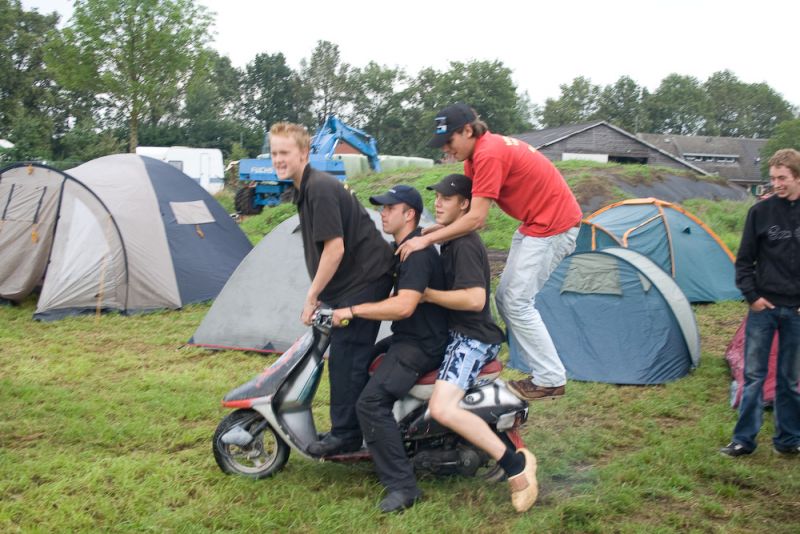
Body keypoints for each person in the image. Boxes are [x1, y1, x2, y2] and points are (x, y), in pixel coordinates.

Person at [397, 103, 582, 402]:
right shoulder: (476, 157)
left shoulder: (488, 154)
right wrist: (437, 228)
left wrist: (425, 241)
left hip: (553, 226)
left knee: (517, 302)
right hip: (534, 224)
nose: (446, 148)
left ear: (467, 130)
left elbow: (476, 219)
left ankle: (550, 379)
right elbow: (469, 207)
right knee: (505, 298)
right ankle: (542, 372)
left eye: (449, 140)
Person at [269, 122, 394, 456]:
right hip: (351, 282)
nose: (278, 159)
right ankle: (351, 427)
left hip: (366, 280)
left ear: (304, 153)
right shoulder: (306, 188)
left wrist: (311, 297)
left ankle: (347, 435)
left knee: (347, 357)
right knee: (343, 355)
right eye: (274, 152)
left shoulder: (319, 188)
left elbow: (334, 249)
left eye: (285, 152)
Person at [422, 174, 538, 512]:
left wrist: (427, 295)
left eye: (446, 198)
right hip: (457, 334)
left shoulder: (464, 245)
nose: (438, 203)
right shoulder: (451, 237)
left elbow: (474, 299)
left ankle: (516, 466)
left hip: (471, 339)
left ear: (465, 205)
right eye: (436, 197)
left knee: (442, 408)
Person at [331, 184, 449, 513]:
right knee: (357, 362)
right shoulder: (402, 246)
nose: (382, 213)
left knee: (371, 403)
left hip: (422, 344)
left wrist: (354, 311)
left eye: (389, 208)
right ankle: (349, 436)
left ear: (409, 214)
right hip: (407, 337)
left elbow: (404, 306)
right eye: (381, 208)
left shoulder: (418, 254)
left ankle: (403, 487)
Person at [720, 148, 800, 457]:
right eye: (773, 178)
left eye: (783, 178)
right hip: (763, 309)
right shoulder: (761, 212)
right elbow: (744, 261)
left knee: (789, 379)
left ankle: (788, 440)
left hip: (796, 310)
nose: (776, 184)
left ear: (797, 177)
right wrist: (752, 297)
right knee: (753, 377)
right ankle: (744, 440)